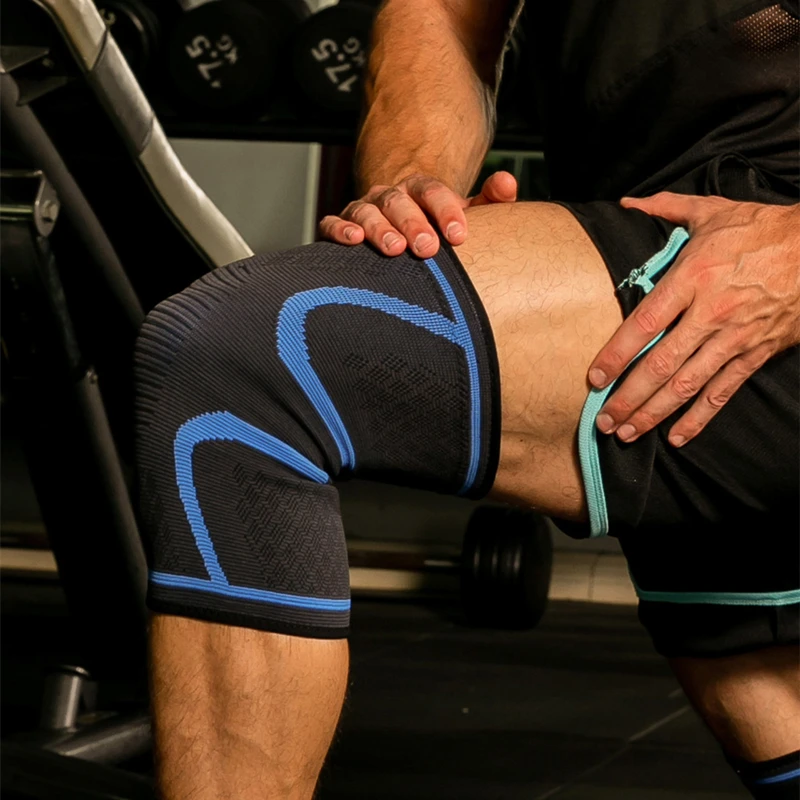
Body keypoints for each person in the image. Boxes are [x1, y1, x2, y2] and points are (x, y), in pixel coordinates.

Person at [134, 0, 800, 797]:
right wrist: (411, 181)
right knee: (765, 692)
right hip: (645, 237)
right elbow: (443, 12)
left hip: (767, 234)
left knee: (250, 358)